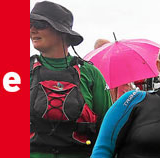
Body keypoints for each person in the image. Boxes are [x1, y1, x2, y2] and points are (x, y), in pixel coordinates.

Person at [29, 1, 113, 158]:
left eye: (40, 24)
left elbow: (107, 128)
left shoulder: (90, 73)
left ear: (61, 31)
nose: (32, 29)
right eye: (29, 24)